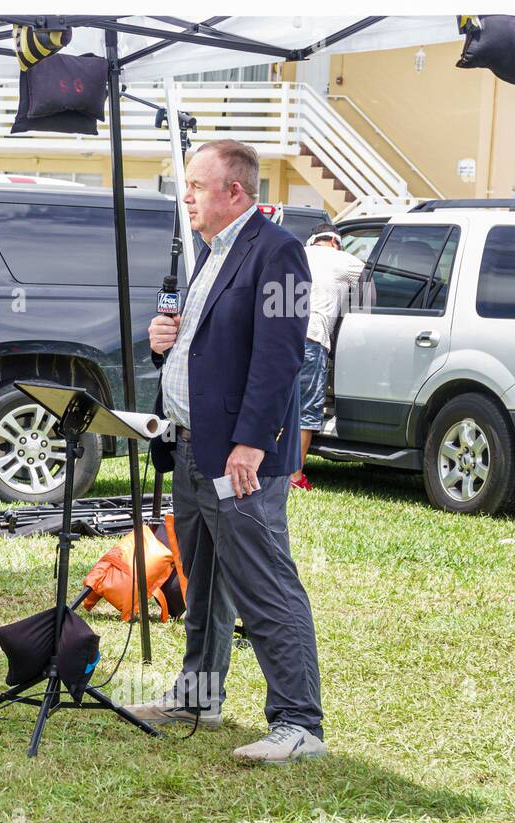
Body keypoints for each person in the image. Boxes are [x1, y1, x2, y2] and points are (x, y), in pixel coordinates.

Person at [126, 140, 326, 763]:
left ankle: (299, 724)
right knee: (205, 586)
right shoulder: (211, 253)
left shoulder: (280, 253)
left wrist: (250, 443)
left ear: (234, 192)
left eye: (196, 185)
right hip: (191, 449)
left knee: (265, 584)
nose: (185, 196)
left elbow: (280, 358)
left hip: (240, 457)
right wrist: (166, 343)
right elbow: (209, 349)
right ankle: (198, 695)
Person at [293, 223, 365, 489]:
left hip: (279, 340)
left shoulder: (295, 253)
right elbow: (372, 287)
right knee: (306, 410)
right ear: (336, 242)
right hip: (312, 340)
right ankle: (294, 477)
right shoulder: (345, 261)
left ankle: (268, 471)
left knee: (277, 406)